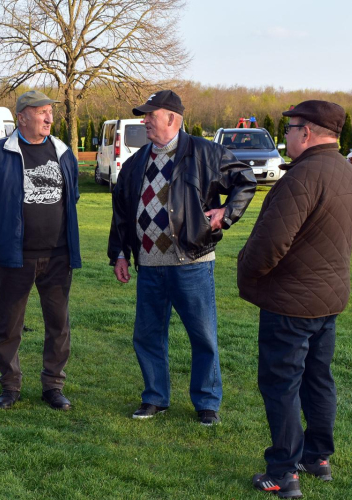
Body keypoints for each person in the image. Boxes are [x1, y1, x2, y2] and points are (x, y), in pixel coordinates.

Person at [107, 90, 256, 425]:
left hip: (191, 263)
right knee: (147, 335)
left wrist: (225, 213)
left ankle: (207, 403)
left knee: (202, 335)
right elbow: (121, 212)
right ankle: (155, 398)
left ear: (171, 118)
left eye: (150, 115)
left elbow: (245, 180)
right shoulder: (135, 163)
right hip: (149, 267)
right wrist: (119, 253)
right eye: (144, 115)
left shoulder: (204, 152)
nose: (144, 121)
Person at [238, 101, 352, 497]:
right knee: (317, 378)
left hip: (291, 302)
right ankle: (317, 457)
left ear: (307, 132)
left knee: (282, 384)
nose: (286, 134)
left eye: (290, 128)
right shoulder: (348, 172)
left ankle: (284, 471)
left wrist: (248, 273)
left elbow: (270, 244)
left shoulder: (302, 177)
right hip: (327, 299)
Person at [0, 90, 81, 411]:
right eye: (41, 112)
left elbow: (71, 195)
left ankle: (53, 385)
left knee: (58, 324)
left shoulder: (62, 151)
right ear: (21, 117)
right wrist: (9, 225)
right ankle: (9, 386)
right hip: (15, 256)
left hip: (58, 256)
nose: (49, 118)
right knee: (9, 324)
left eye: (50, 112)